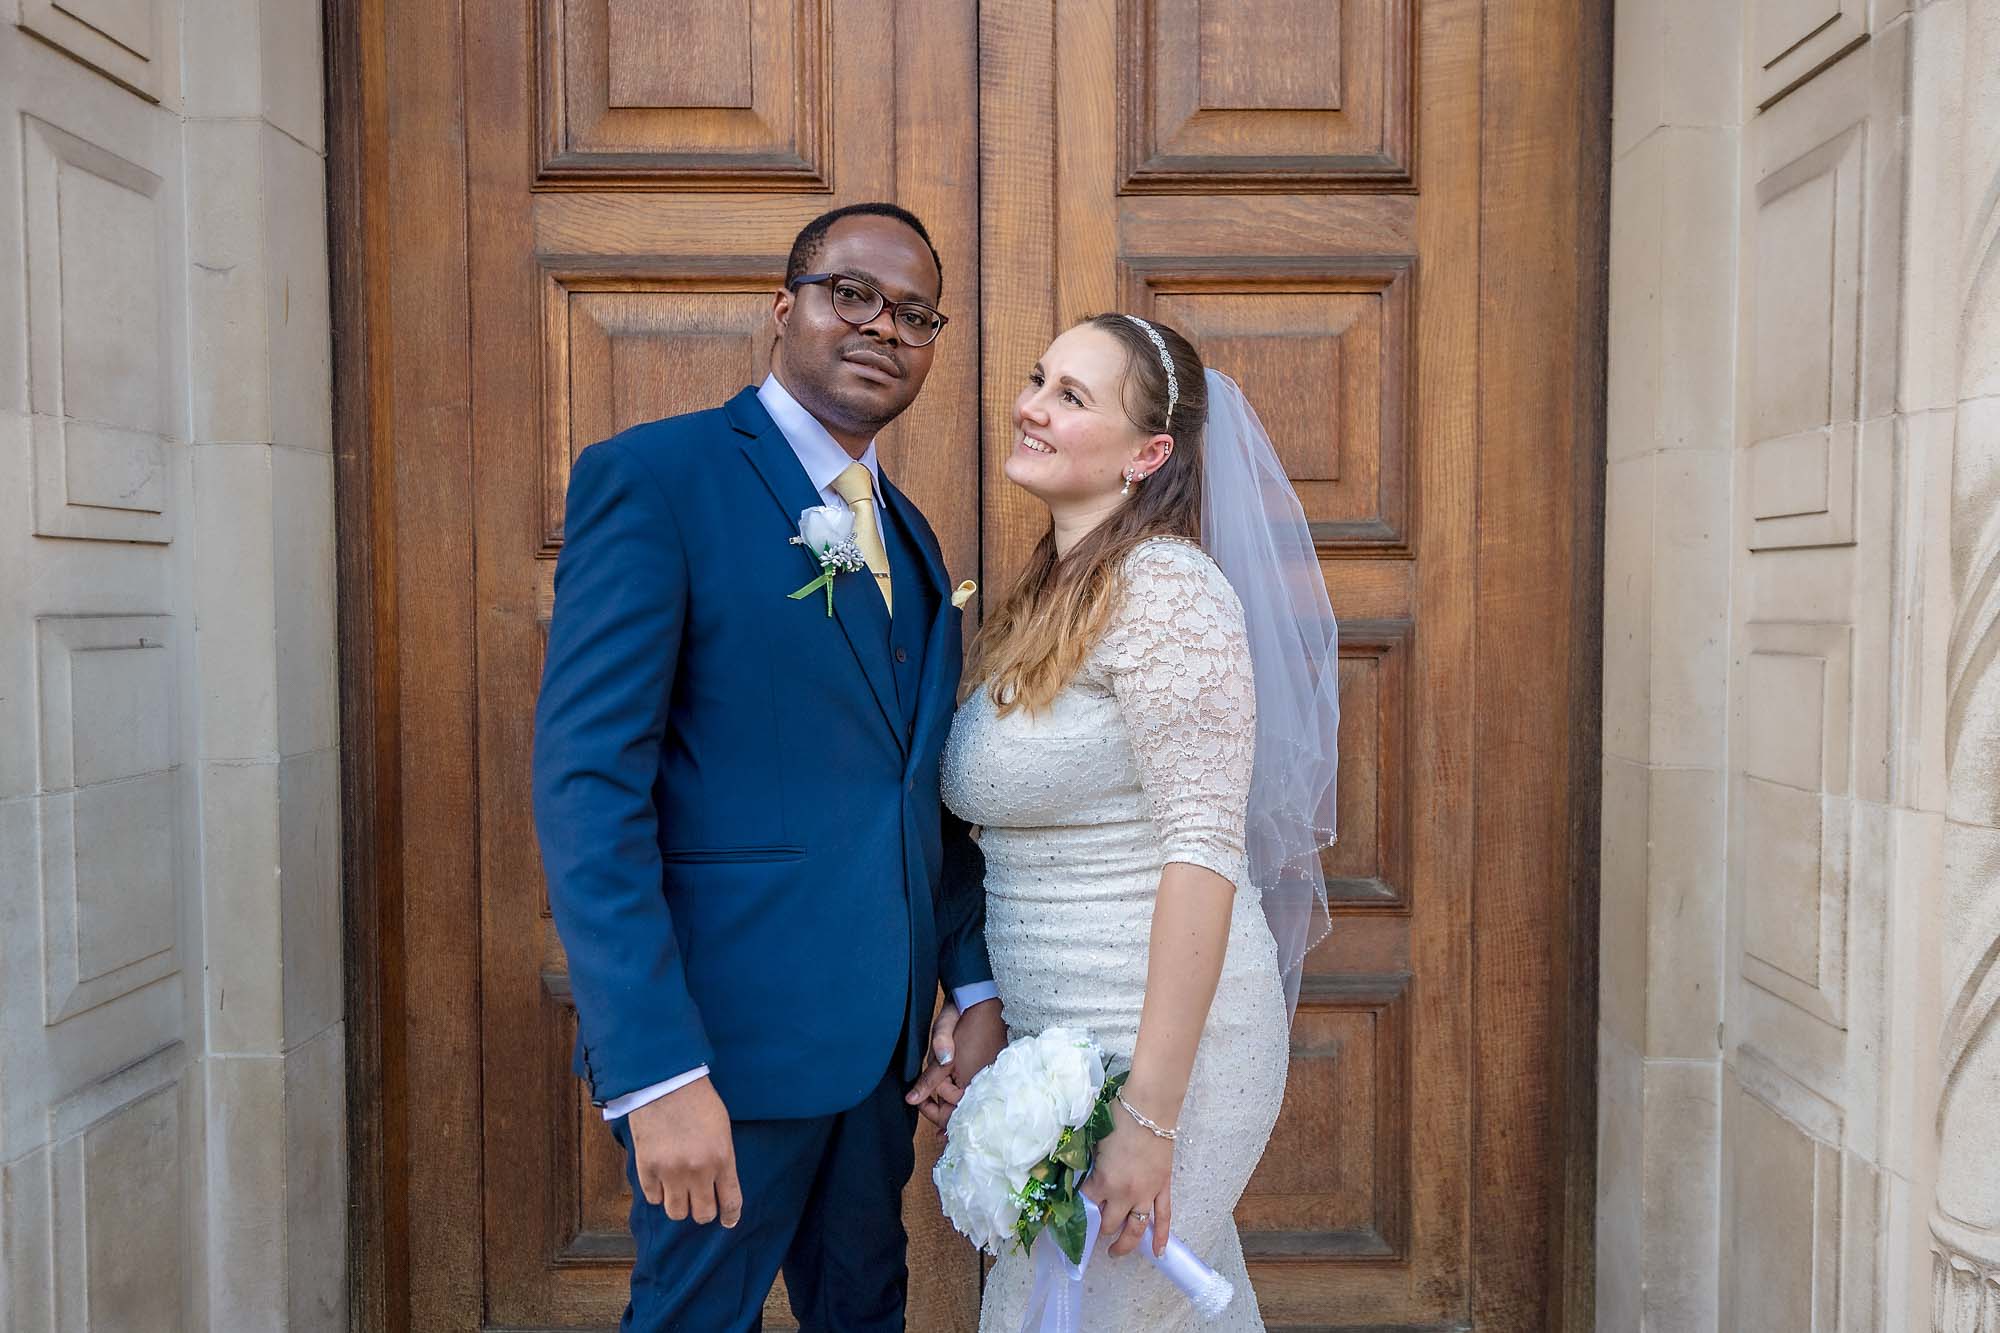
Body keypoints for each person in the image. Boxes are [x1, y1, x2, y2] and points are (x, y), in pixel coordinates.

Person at [531, 201, 1007, 1332]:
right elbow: (589, 788)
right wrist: (655, 1074)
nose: (883, 327)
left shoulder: (910, 534)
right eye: (852, 293)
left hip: (876, 1058)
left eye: (914, 314)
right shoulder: (658, 479)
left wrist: (973, 981)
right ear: (781, 307)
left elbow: (908, 791)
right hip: (720, 1056)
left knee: (863, 1312)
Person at [924, 313, 1340, 1330]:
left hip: (1169, 1052)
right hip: (1053, 1034)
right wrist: (973, 1006)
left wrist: (1149, 1118)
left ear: (1149, 452)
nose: (1030, 406)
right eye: (1037, 380)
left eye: (1072, 396)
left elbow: (1202, 852)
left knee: (1085, 1312)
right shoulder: (1042, 599)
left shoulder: (1167, 592)